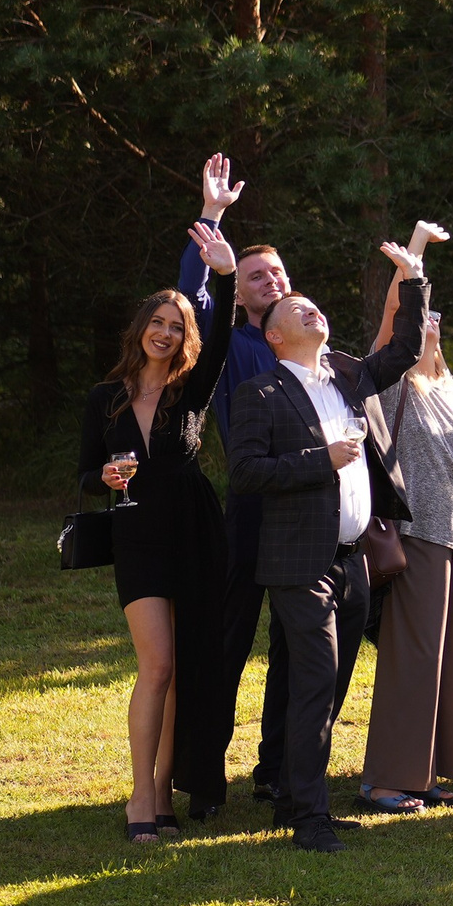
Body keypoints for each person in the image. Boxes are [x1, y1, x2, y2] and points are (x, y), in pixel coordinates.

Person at [224, 240, 429, 851]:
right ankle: (309, 818)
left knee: (332, 678)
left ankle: (292, 790)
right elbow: (247, 473)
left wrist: (413, 279)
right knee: (314, 679)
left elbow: (406, 349)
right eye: (298, 310)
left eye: (316, 307)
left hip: (354, 558)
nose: (311, 311)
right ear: (274, 338)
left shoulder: (348, 374)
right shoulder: (259, 394)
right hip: (298, 561)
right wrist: (323, 460)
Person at [80, 232, 237, 841]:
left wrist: (222, 275)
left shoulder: (189, 391)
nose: (166, 332)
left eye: (177, 325)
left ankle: (168, 794)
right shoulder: (104, 399)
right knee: (158, 664)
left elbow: (222, 339)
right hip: (138, 536)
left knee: (187, 665)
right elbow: (86, 476)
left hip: (194, 532)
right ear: (141, 327)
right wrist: (105, 474)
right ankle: (140, 797)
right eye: (159, 321)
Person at [174, 154, 304, 806]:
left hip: (304, 515)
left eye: (276, 270)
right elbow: (193, 308)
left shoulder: (310, 345)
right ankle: (202, 774)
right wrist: (212, 219)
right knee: (225, 644)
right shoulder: (231, 345)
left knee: (292, 644)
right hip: (250, 513)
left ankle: (275, 767)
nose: (269, 278)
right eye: (255, 274)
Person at [360, 300, 453, 813]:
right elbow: (393, 315)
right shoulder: (392, 384)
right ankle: (386, 779)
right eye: (421, 315)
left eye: (435, 315)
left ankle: (425, 771)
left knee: (452, 660)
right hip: (415, 531)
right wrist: (411, 265)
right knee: (414, 658)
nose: (430, 321)